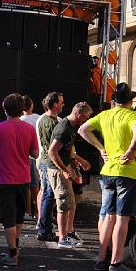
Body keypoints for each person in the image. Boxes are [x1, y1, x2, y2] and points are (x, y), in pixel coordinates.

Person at [79, 82, 136, 271]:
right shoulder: (131, 115)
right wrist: (131, 150)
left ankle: (101, 259)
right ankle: (116, 263)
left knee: (108, 216)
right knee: (123, 219)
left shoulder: (105, 114)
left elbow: (83, 130)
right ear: (130, 101)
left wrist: (100, 148)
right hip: (127, 172)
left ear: (113, 100)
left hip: (108, 171)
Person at [0, 93, 39, 267]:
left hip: (4, 178)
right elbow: (35, 154)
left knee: (8, 217)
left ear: (5, 108)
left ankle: (12, 254)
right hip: (24, 178)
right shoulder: (29, 129)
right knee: (18, 216)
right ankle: (15, 248)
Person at [47, 102, 92, 248]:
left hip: (63, 167)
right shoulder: (65, 128)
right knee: (63, 203)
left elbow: (66, 151)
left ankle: (67, 233)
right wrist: (65, 170)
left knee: (70, 201)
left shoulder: (71, 127)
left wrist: (77, 161)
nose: (86, 121)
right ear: (80, 116)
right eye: (86, 118)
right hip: (58, 170)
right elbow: (52, 152)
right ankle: (62, 238)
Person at [35, 92, 64, 242]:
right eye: (61, 102)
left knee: (46, 194)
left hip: (44, 160)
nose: (63, 104)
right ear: (54, 104)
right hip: (50, 162)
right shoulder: (53, 122)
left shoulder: (42, 119)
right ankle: (44, 230)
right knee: (49, 195)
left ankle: (43, 227)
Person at [20, 95, 42, 218]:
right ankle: (38, 212)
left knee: (26, 186)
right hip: (36, 155)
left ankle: (28, 211)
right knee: (36, 186)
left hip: (24, 156)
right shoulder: (38, 118)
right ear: (31, 105)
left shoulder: (20, 120)